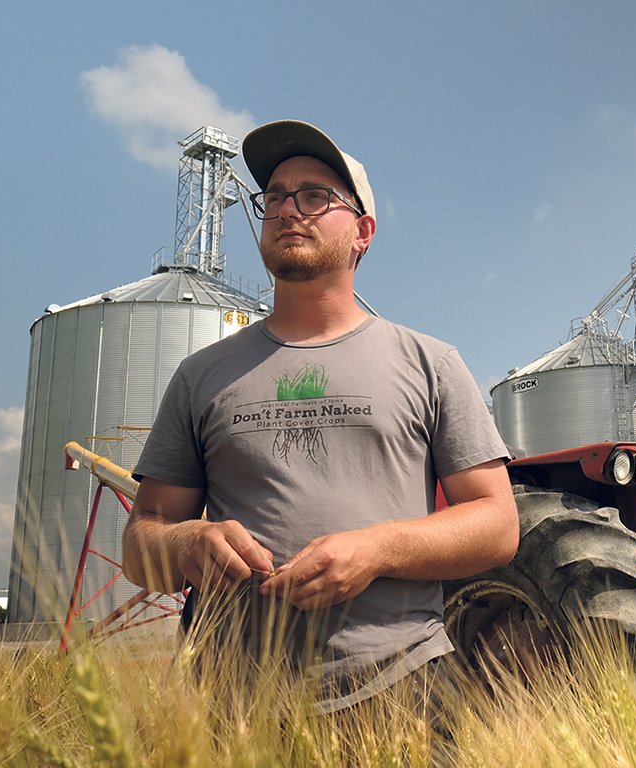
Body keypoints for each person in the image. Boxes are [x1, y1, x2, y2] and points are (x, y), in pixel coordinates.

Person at [121, 120, 518, 714]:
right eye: (275, 197)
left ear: (362, 232)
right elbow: (140, 543)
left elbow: (497, 525)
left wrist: (376, 550)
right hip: (230, 702)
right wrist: (188, 541)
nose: (288, 210)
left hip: (402, 688)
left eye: (314, 197)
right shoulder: (201, 376)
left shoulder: (430, 363)